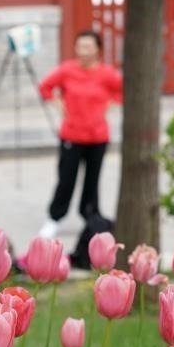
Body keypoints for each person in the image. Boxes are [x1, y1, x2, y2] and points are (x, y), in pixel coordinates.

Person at [37, 30, 122, 240]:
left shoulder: (107, 73)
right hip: (72, 135)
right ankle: (54, 218)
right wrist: (58, 104)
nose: (83, 51)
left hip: (98, 136)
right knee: (66, 179)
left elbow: (122, 90)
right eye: (80, 46)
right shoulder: (67, 70)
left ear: (98, 49)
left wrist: (110, 104)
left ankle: (90, 217)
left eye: (88, 46)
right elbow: (45, 87)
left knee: (92, 181)